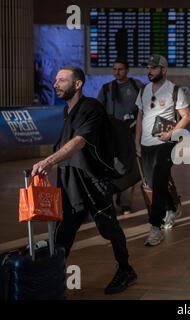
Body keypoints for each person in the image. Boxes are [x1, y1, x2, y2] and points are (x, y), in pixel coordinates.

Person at [31, 66, 137, 295]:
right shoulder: (68, 111)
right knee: (64, 232)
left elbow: (79, 142)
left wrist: (47, 162)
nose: (55, 84)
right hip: (70, 181)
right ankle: (54, 278)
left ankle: (126, 269)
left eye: (62, 80)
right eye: (55, 80)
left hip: (93, 182)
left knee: (109, 228)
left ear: (77, 84)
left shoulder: (91, 108)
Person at [135, 54, 190, 245]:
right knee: (152, 184)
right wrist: (137, 142)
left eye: (154, 68)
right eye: (148, 68)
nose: (149, 71)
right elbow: (140, 117)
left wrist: (171, 134)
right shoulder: (143, 90)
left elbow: (186, 117)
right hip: (146, 144)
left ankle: (155, 228)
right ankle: (172, 206)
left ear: (163, 70)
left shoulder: (174, 90)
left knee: (158, 184)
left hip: (165, 144)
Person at [97, 59, 144, 215]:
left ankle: (125, 203)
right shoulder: (107, 89)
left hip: (131, 134)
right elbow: (98, 111)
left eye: (121, 69)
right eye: (115, 69)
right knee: (112, 167)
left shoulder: (137, 87)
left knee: (130, 168)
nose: (117, 72)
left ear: (127, 70)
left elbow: (146, 110)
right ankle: (111, 197)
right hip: (113, 136)